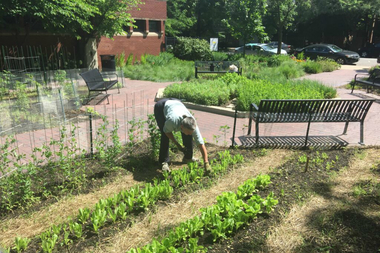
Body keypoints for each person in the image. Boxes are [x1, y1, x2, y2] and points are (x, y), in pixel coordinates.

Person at [154, 98, 209, 172]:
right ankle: (163, 162)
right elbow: (167, 132)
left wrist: (206, 163)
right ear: (181, 127)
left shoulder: (192, 124)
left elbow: (201, 144)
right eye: (188, 132)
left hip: (176, 103)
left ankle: (188, 157)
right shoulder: (172, 121)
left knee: (188, 135)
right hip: (161, 107)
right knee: (165, 136)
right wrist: (177, 144)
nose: (190, 134)